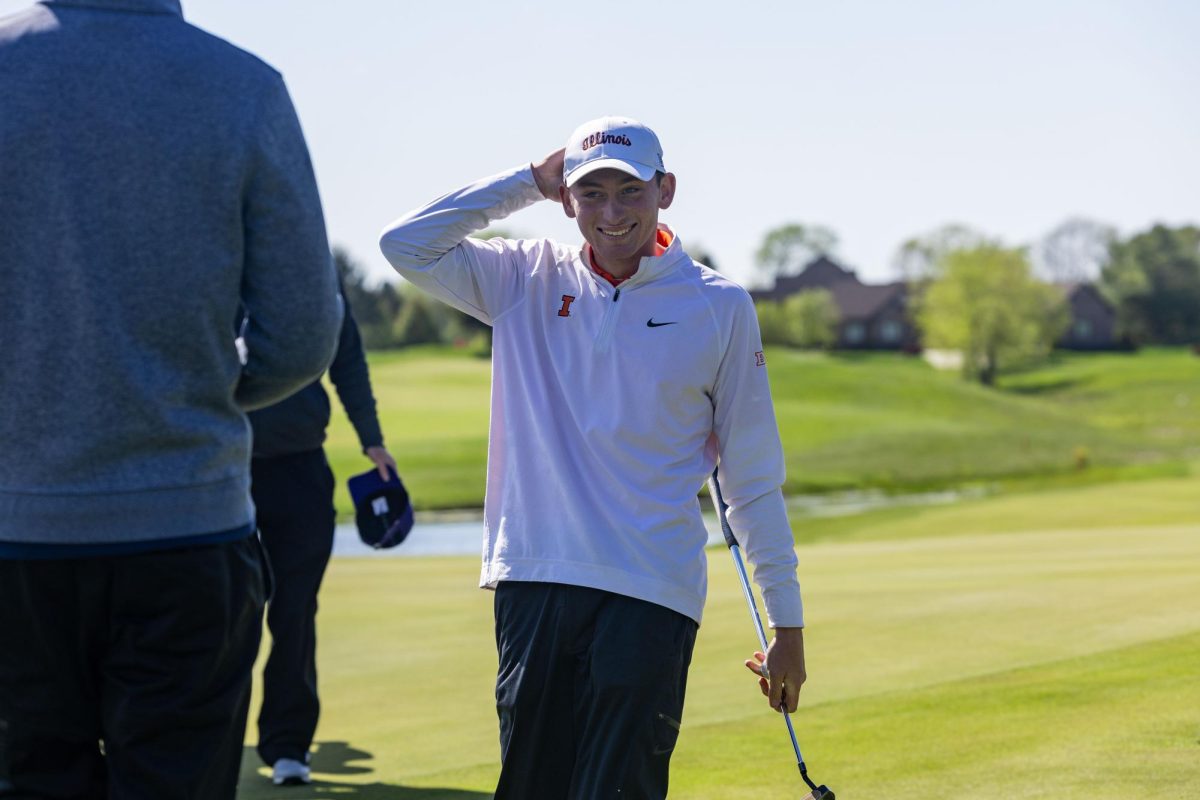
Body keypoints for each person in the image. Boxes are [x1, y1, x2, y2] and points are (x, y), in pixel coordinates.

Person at [379, 116, 807, 798]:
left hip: (652, 588)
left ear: (665, 190)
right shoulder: (523, 278)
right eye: (591, 193)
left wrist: (786, 624)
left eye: (629, 192)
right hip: (537, 574)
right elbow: (404, 245)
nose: (610, 213)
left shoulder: (718, 305)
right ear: (568, 198)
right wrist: (526, 182)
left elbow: (749, 478)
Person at [0, 1, 342, 797]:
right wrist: (201, 390)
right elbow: (301, 333)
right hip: (185, 531)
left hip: (16, 536)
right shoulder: (243, 86)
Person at [247, 294, 397, 787]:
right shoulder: (211, 251)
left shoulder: (317, 273)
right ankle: (214, 744)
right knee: (227, 614)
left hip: (301, 468)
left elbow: (347, 359)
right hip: (223, 471)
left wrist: (371, 438)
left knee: (295, 609)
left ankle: (288, 744)